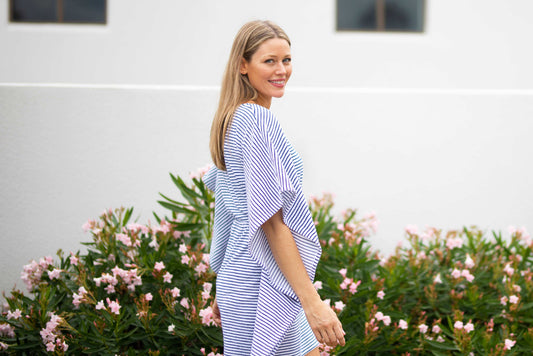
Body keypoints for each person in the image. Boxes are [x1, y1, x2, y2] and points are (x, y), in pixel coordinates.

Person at [203, 20, 345, 356]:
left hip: (247, 277)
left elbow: (225, 210)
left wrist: (222, 281)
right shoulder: (255, 121)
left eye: (287, 60)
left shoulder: (231, 119)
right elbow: (271, 221)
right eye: (269, 61)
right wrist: (313, 303)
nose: (281, 70)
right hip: (261, 281)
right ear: (243, 65)